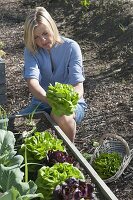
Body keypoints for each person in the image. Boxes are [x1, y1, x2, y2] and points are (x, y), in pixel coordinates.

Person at [19, 6, 87, 142]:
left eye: (45, 33)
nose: (42, 41)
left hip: (71, 104)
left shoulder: (71, 47)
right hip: (41, 102)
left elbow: (78, 86)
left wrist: (64, 103)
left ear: (52, 26)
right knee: (10, 124)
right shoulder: (31, 50)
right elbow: (32, 83)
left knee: (62, 116)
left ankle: (69, 154)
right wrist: (50, 100)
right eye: (36, 37)